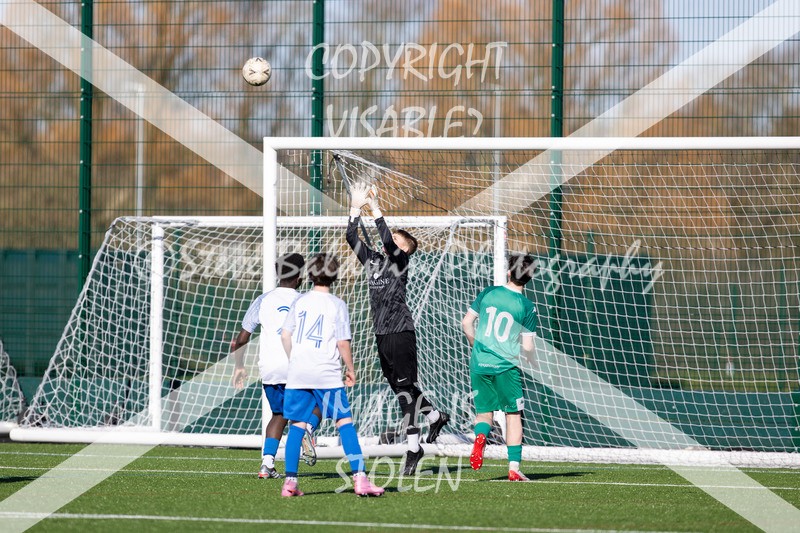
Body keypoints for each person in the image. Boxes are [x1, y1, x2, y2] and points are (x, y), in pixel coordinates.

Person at [345, 182, 449, 476]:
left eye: (394, 239)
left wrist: (375, 208)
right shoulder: (373, 261)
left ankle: (414, 447)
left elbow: (389, 243)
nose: (385, 242)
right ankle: (437, 415)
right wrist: (356, 205)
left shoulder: (400, 261)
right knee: (402, 388)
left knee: (405, 390)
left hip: (400, 332)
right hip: (381, 334)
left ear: (404, 248)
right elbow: (351, 236)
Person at [279, 253, 384, 497]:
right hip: (326, 373)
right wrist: (350, 368)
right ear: (335, 276)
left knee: (297, 426)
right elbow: (342, 342)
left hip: (298, 372)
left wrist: (294, 358)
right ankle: (360, 479)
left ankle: (290, 484)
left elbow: (285, 335)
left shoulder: (300, 301)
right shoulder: (337, 304)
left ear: (310, 275)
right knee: (344, 423)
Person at [231, 252, 319, 479]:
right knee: (323, 400)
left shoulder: (262, 299)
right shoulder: (306, 300)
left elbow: (241, 339)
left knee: (278, 414)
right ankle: (308, 430)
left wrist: (239, 366)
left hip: (269, 367)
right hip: (296, 366)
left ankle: (267, 464)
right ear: (300, 277)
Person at [461, 254, 538, 482]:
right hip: (506, 366)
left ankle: (480, 440)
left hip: (479, 363)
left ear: (508, 272)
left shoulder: (488, 292)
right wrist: (533, 361)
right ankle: (513, 468)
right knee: (513, 415)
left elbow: (466, 323)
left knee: (484, 412)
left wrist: (476, 347)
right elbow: (528, 345)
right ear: (530, 278)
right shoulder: (526, 306)